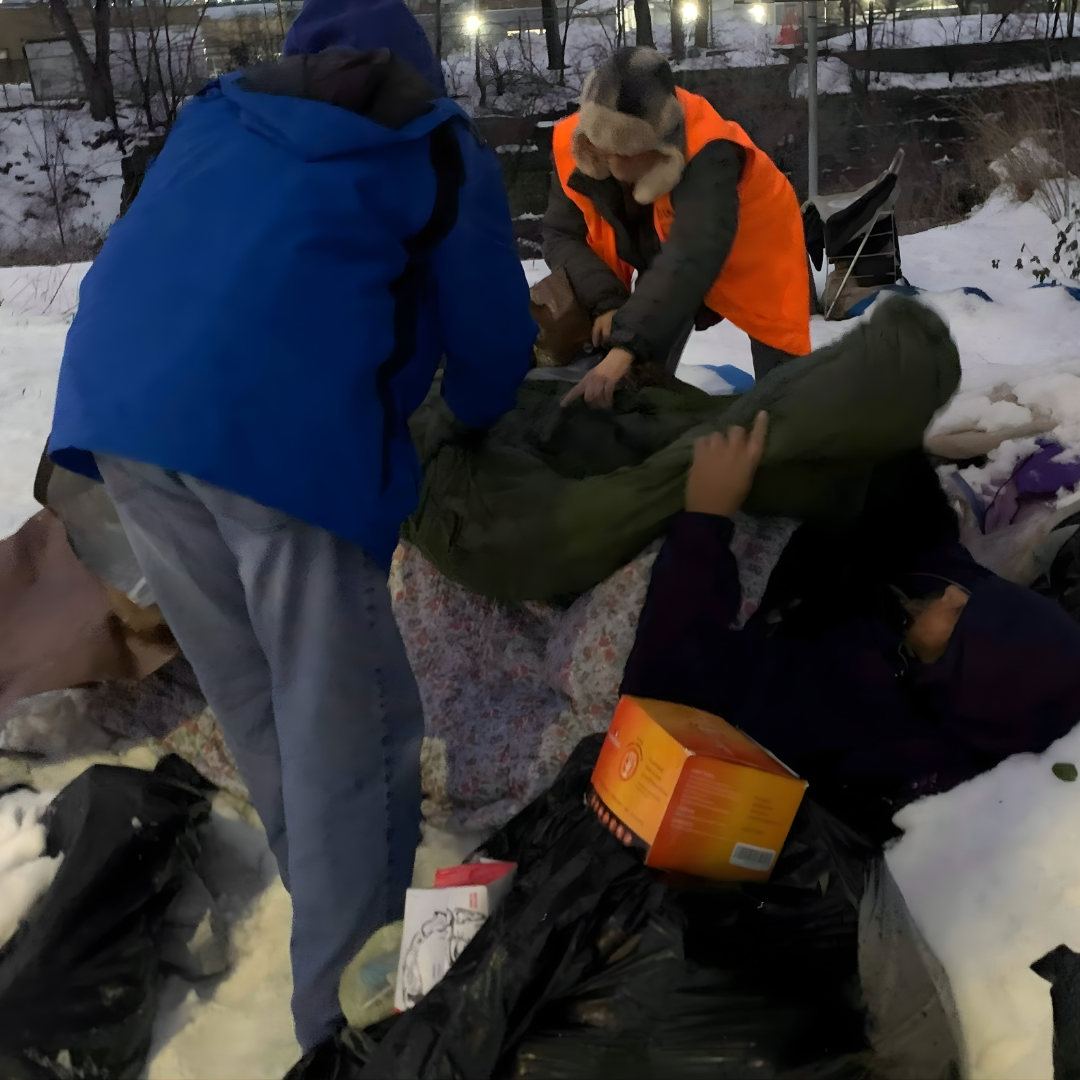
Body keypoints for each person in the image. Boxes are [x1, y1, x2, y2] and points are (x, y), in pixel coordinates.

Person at [47, 0, 537, 1051]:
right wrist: (477, 419)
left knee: (267, 706)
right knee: (353, 733)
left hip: (123, 417)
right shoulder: (437, 144)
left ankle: (347, 920)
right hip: (282, 443)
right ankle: (348, 1033)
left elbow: (156, 261)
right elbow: (495, 340)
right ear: (419, 64)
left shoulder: (216, 114)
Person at [622, 420, 1080, 842]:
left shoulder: (855, 728)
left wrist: (705, 516)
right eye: (973, 592)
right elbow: (931, 542)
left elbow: (666, 680)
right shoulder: (950, 605)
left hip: (694, 632)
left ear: (957, 680)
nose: (954, 595)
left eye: (961, 615)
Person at [543, 46, 811, 409]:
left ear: (659, 145)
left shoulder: (710, 152)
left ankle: (786, 433)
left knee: (782, 388)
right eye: (604, 148)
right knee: (640, 367)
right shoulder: (574, 149)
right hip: (666, 252)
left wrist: (625, 347)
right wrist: (608, 305)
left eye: (625, 149)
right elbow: (563, 235)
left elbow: (692, 253)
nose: (611, 158)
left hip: (756, 241)